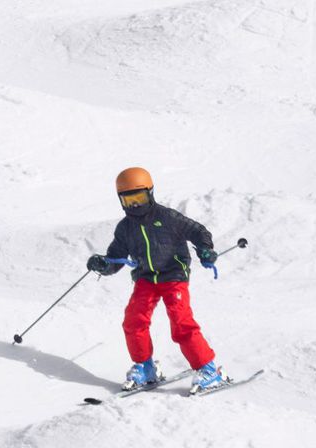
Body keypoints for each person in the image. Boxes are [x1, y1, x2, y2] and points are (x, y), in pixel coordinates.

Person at [85, 167, 231, 393]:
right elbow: (116, 258)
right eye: (128, 200)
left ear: (150, 193)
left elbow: (198, 231)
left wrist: (205, 250)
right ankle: (145, 367)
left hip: (174, 274)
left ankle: (209, 370)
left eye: (139, 198)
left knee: (180, 321)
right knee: (133, 321)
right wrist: (104, 265)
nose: (134, 205)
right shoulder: (125, 228)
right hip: (145, 278)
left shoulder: (168, 217)